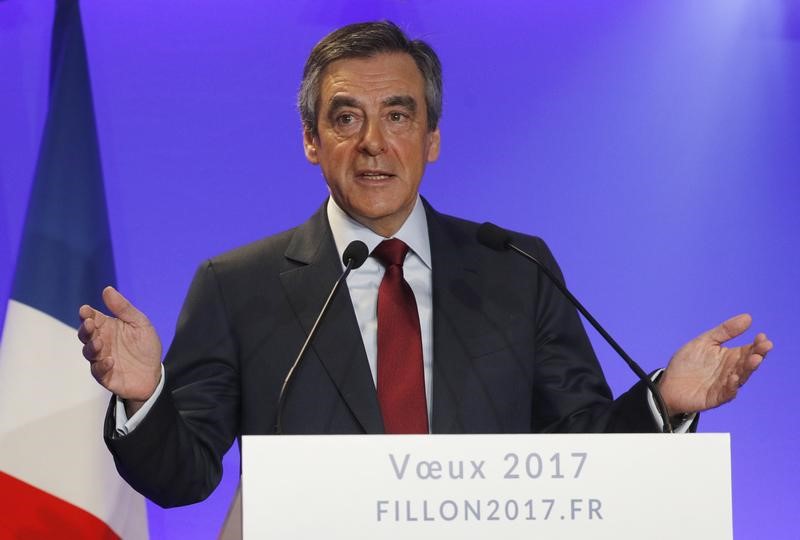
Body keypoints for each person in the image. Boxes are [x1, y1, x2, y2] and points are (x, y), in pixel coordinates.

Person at [77, 21, 772, 508]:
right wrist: (144, 398)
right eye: (346, 119)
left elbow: (582, 454)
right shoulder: (237, 287)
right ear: (311, 142)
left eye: (399, 117)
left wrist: (663, 404)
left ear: (432, 138)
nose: (374, 143)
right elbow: (183, 476)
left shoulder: (517, 269)